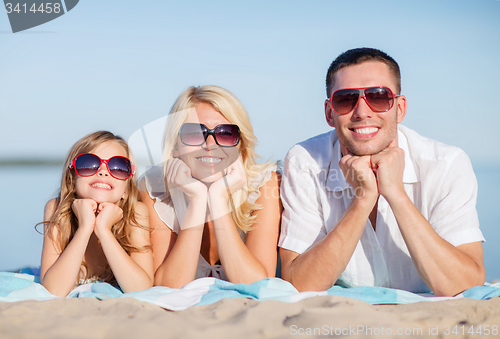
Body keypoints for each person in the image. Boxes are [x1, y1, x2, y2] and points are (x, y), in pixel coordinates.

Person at [279, 48, 485, 296]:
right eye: (345, 99)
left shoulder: (446, 164)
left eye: (378, 97)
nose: (362, 112)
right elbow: (299, 283)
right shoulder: (305, 162)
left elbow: (466, 286)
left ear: (399, 108)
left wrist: (396, 194)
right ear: (329, 113)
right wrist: (362, 201)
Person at [140, 85, 281, 288]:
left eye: (226, 134)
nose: (210, 144)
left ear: (240, 145)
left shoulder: (265, 183)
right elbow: (168, 286)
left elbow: (258, 284)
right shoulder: (154, 187)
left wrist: (218, 199)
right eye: (195, 133)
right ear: (176, 146)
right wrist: (198, 200)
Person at [40, 131, 154, 297]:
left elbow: (141, 289)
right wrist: (85, 228)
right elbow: (54, 290)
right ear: (72, 180)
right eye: (89, 164)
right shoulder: (56, 208)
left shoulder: (135, 212)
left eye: (119, 167)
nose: (103, 171)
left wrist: (103, 230)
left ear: (127, 189)